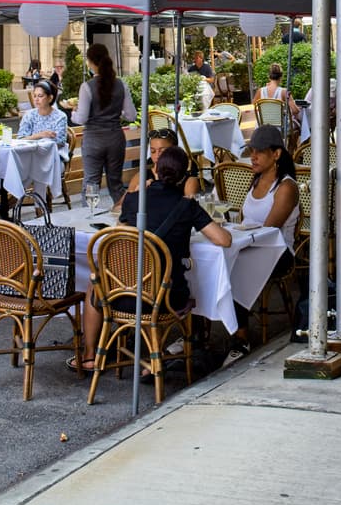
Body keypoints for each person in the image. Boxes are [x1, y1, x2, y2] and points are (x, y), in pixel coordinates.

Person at [72, 146, 231, 373]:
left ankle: (90, 356)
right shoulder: (188, 206)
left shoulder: (135, 200)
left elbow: (122, 235)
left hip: (121, 296)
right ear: (183, 175)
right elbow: (223, 240)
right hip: (164, 297)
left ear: (155, 169)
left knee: (95, 282)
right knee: (189, 281)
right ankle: (160, 355)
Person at [223, 124, 299, 366]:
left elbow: (270, 230)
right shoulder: (255, 181)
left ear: (276, 154)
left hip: (277, 252)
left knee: (235, 268)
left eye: (259, 152)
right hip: (251, 246)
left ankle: (241, 339)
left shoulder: (286, 187)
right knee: (215, 265)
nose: (253, 157)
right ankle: (195, 335)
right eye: (251, 151)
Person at [73, 42, 136, 208]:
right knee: (115, 183)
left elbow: (81, 118)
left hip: (94, 139)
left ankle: (87, 220)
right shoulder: (121, 84)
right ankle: (125, 217)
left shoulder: (86, 87)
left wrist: (73, 111)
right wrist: (116, 114)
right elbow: (131, 115)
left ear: (91, 62)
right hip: (116, 137)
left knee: (91, 183)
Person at [125, 128, 200, 198]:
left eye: (163, 151)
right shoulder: (142, 177)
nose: (157, 155)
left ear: (174, 151)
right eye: (153, 151)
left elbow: (189, 207)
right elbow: (120, 206)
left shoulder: (188, 181)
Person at [17, 80, 69, 159]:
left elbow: (60, 142)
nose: (36, 99)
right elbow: (20, 139)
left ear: (50, 98)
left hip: (52, 156)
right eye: (34, 96)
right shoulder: (29, 115)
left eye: (40, 96)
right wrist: (40, 135)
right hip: (30, 154)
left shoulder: (60, 116)